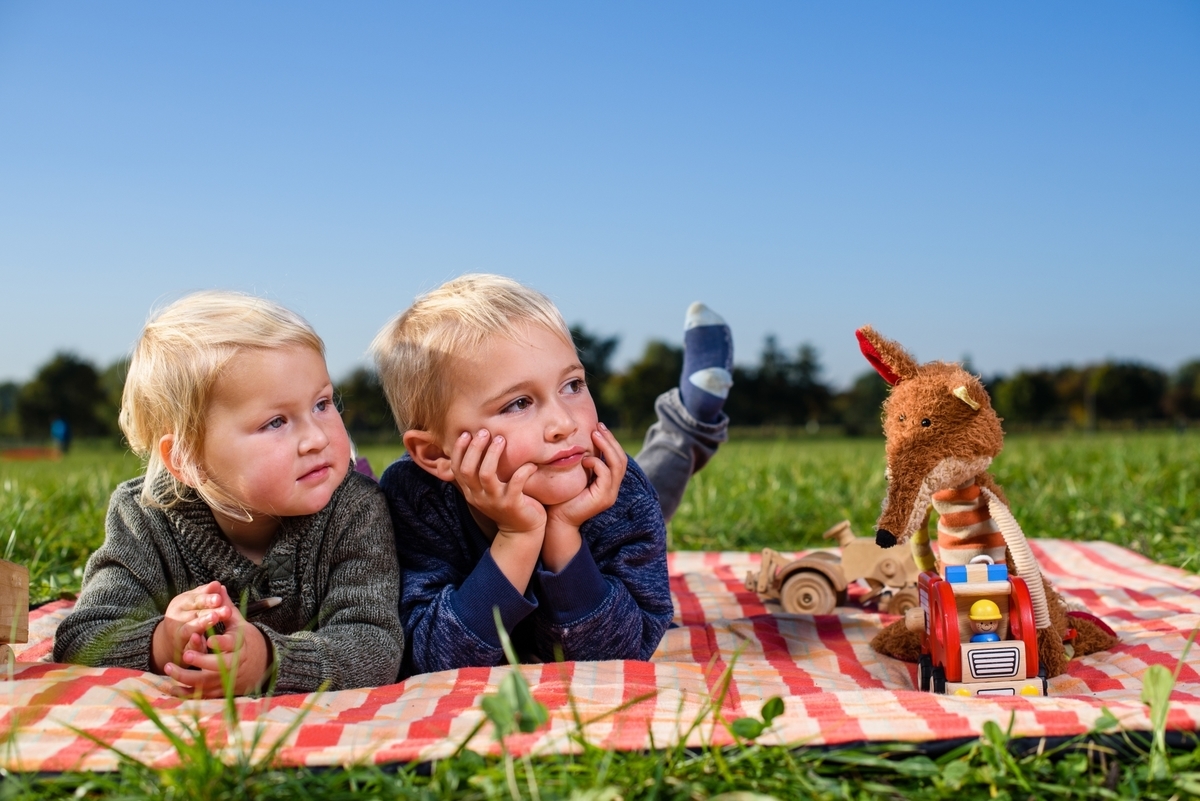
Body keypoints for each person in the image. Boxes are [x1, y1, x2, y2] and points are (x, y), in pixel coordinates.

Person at [372, 274, 733, 675]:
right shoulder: (415, 501)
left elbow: (624, 652)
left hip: (600, 486)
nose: (564, 421)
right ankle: (689, 423)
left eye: (573, 384)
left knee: (647, 484)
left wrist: (564, 536)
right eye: (519, 403)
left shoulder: (621, 488)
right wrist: (518, 538)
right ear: (438, 454)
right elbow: (434, 658)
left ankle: (689, 423)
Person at [53, 291, 404, 697]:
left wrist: (269, 663)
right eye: (276, 422)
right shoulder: (145, 516)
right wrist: (165, 641)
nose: (316, 438)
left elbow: (375, 644)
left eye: (323, 403)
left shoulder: (354, 509)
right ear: (187, 460)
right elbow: (83, 636)